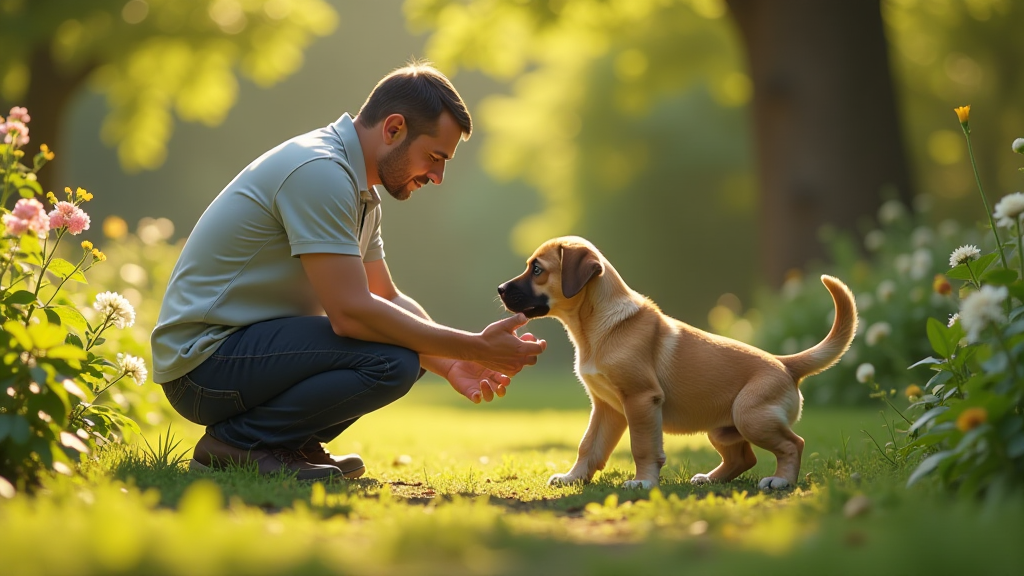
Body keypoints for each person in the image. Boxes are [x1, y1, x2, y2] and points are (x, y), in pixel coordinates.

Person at [151, 62, 546, 481]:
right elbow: (351, 313)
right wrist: (472, 347)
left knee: (401, 351)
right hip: (204, 366)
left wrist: (450, 362)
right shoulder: (320, 172)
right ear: (393, 129)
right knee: (393, 360)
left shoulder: (358, 189)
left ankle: (283, 444)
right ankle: (237, 444)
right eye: (434, 157)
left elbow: (387, 297)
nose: (437, 176)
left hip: (241, 354)